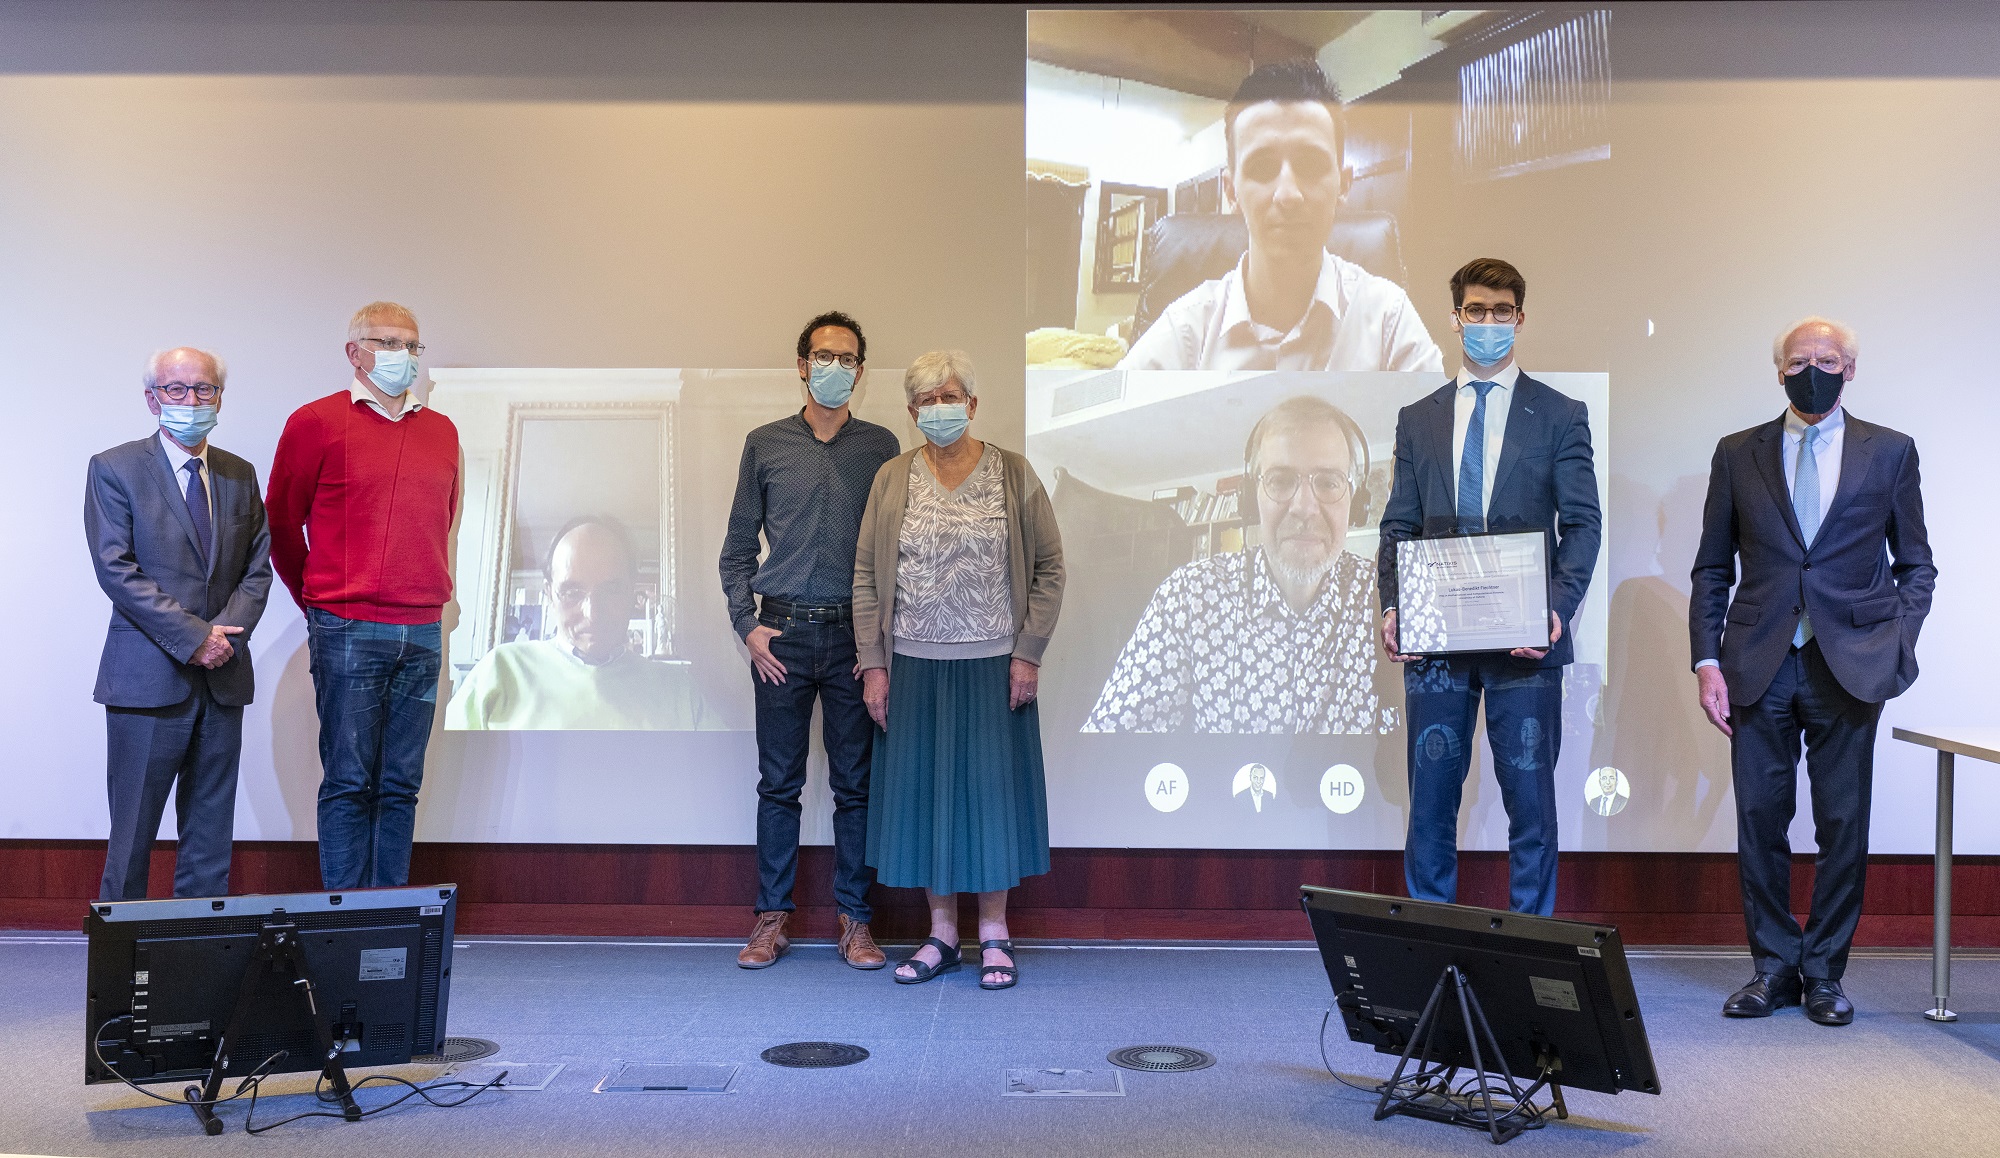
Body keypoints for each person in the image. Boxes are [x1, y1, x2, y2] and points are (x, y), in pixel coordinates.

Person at [1690, 317, 1935, 1026]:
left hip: (1849, 666)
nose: (1813, 369)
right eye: (1800, 360)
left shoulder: (1889, 452)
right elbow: (1713, 566)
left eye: (1828, 359)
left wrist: (1896, 642)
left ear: (1851, 370)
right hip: (1756, 663)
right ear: (1779, 371)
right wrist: (1707, 657)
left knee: (1842, 823)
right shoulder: (1739, 453)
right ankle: (1772, 969)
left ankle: (1824, 973)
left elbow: (1915, 563)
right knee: (1761, 821)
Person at [1377, 258, 1601, 917]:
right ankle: (1429, 942)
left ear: (1520, 321)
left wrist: (1558, 609)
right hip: (1437, 638)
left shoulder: (1560, 415)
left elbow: (1583, 524)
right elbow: (1399, 522)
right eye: (1476, 311)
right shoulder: (1419, 418)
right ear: (1456, 319)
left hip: (1525, 639)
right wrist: (1394, 605)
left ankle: (1532, 952)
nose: (1488, 324)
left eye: (1501, 313)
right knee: (1432, 803)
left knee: (1530, 805)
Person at [855, 350, 1065, 990]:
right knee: (925, 799)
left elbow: (1049, 569)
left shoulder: (1014, 473)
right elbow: (866, 576)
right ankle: (942, 934)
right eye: (926, 399)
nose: (939, 408)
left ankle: (994, 935)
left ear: (971, 405)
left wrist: (1027, 651)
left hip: (995, 666)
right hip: (913, 665)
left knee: (990, 799)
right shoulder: (892, 478)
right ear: (912, 410)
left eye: (950, 397)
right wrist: (873, 665)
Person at [720, 311, 902, 970]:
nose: (835, 368)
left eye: (848, 358)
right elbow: (737, 550)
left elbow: (892, 551)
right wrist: (749, 628)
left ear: (860, 370)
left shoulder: (882, 447)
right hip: (784, 638)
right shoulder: (766, 443)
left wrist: (878, 642)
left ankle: (856, 922)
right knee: (779, 785)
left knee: (856, 787)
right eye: (824, 356)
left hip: (855, 637)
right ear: (802, 365)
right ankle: (771, 921)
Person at [267, 302, 459, 890]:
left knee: (401, 784)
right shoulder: (315, 422)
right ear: (355, 352)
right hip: (346, 625)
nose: (402, 356)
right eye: (386, 343)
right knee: (350, 781)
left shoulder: (442, 431)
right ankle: (345, 923)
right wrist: (321, 603)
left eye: (411, 345)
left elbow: (443, 521)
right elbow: (280, 524)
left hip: (422, 629)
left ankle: (393, 920)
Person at [85, 348, 272, 899]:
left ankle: (199, 973)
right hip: (146, 682)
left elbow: (256, 572)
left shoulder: (240, 474)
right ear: (152, 399)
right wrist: (195, 638)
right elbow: (116, 570)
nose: (191, 400)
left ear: (219, 397)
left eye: (204, 389)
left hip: (222, 681)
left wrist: (221, 640)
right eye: (176, 389)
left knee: (211, 841)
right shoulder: (114, 468)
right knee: (132, 841)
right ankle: (121, 978)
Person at [1084, 395, 1388, 734]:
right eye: (1280, 480)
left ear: (1356, 501)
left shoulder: (1390, 598)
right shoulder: (1187, 596)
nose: (1305, 507)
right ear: (1249, 497)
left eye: (1329, 482)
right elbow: (1110, 747)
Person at [1120, 59, 1441, 373]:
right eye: (1262, 168)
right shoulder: (1187, 332)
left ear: (1343, 185)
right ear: (1232, 193)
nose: (1288, 194)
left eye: (1311, 165)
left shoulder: (1388, 319)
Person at [448, 517, 715, 730]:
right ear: (549, 594)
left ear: (632, 591)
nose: (593, 614)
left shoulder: (678, 690)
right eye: (571, 593)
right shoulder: (499, 673)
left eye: (610, 590)